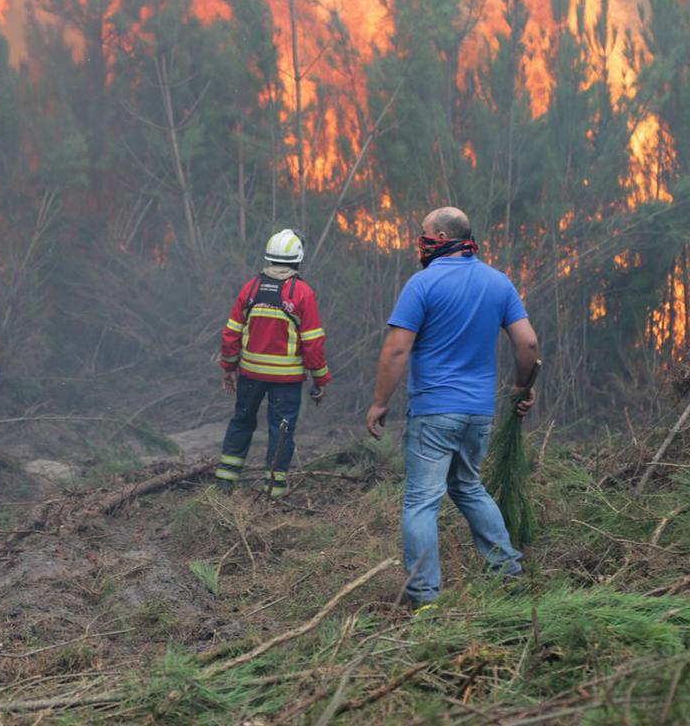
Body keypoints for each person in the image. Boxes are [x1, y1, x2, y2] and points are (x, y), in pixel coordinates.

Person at [366, 207, 539, 609]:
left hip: (433, 410)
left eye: (424, 234)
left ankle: (425, 595)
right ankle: (506, 570)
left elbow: (396, 349)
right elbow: (528, 343)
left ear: (441, 236)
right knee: (467, 486)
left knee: (421, 501)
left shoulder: (422, 284)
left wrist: (379, 402)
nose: (419, 242)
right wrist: (521, 386)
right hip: (478, 412)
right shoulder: (499, 282)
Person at [217, 229, 331, 498]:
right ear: (298, 259)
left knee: (241, 422)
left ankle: (224, 484)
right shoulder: (302, 293)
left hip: (250, 376)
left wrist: (228, 368)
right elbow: (313, 342)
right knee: (281, 430)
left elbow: (231, 333)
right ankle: (275, 491)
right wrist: (321, 378)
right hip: (287, 381)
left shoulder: (251, 288)